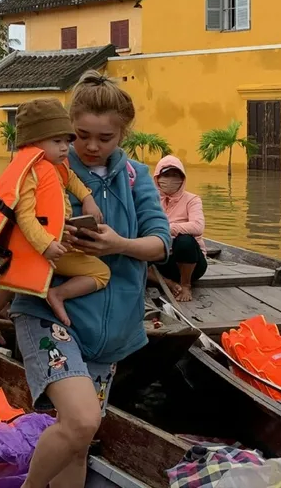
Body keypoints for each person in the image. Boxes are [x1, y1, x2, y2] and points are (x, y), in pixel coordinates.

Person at [10, 73, 170, 488]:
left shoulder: (136, 176)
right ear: (68, 129)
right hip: (48, 311)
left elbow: (160, 243)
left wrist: (118, 244)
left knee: (79, 441)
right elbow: (5, 234)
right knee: (83, 421)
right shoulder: (45, 169)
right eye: (81, 136)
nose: (92, 147)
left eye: (106, 137)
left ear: (122, 134)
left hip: (110, 329)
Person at [0, 98, 106, 338]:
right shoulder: (30, 174)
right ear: (33, 143)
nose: (65, 148)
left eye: (66, 141)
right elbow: (25, 217)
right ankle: (54, 295)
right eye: (57, 141)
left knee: (11, 275)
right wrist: (46, 246)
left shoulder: (54, 165)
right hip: (39, 242)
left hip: (47, 240)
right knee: (101, 273)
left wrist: (88, 198)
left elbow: (72, 180)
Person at [149, 156, 208, 302]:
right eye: (166, 175)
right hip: (160, 262)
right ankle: (168, 283)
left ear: (182, 179)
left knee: (185, 241)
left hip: (191, 263)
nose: (170, 180)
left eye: (175, 175)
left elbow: (198, 226)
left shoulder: (192, 200)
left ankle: (185, 284)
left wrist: (166, 229)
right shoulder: (149, 200)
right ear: (157, 177)